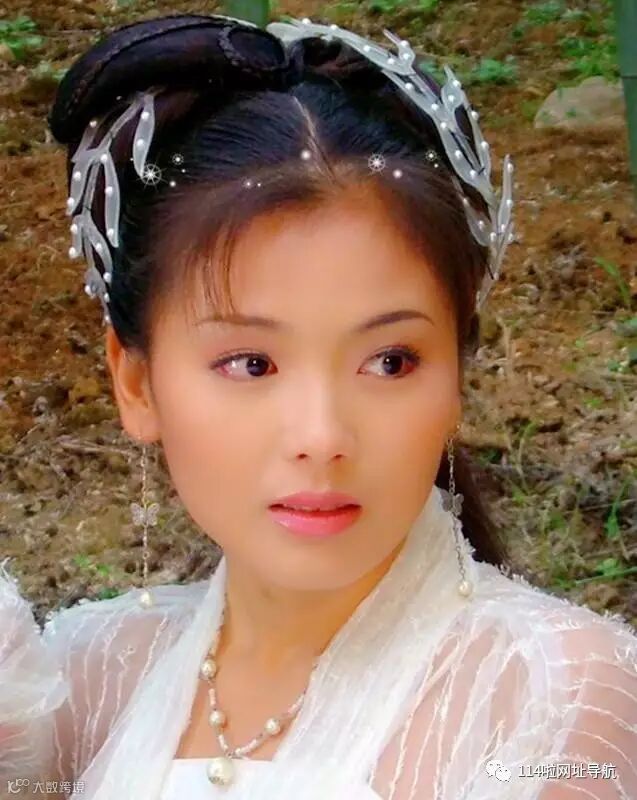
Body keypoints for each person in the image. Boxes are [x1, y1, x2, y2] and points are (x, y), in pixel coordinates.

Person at [1, 12, 635, 800]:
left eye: (390, 361)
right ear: (136, 383)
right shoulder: (89, 674)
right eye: (250, 363)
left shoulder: (554, 701)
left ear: (456, 376)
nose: (322, 436)